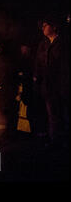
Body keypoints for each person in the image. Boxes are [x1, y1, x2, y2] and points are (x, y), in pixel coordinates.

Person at [33, 15, 69, 148]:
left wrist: (64, 84)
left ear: (54, 27)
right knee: (52, 114)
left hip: (60, 85)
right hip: (47, 86)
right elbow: (38, 62)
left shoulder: (63, 44)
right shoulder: (43, 44)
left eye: (45, 25)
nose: (43, 27)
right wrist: (37, 77)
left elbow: (64, 66)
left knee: (63, 113)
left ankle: (63, 140)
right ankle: (55, 139)